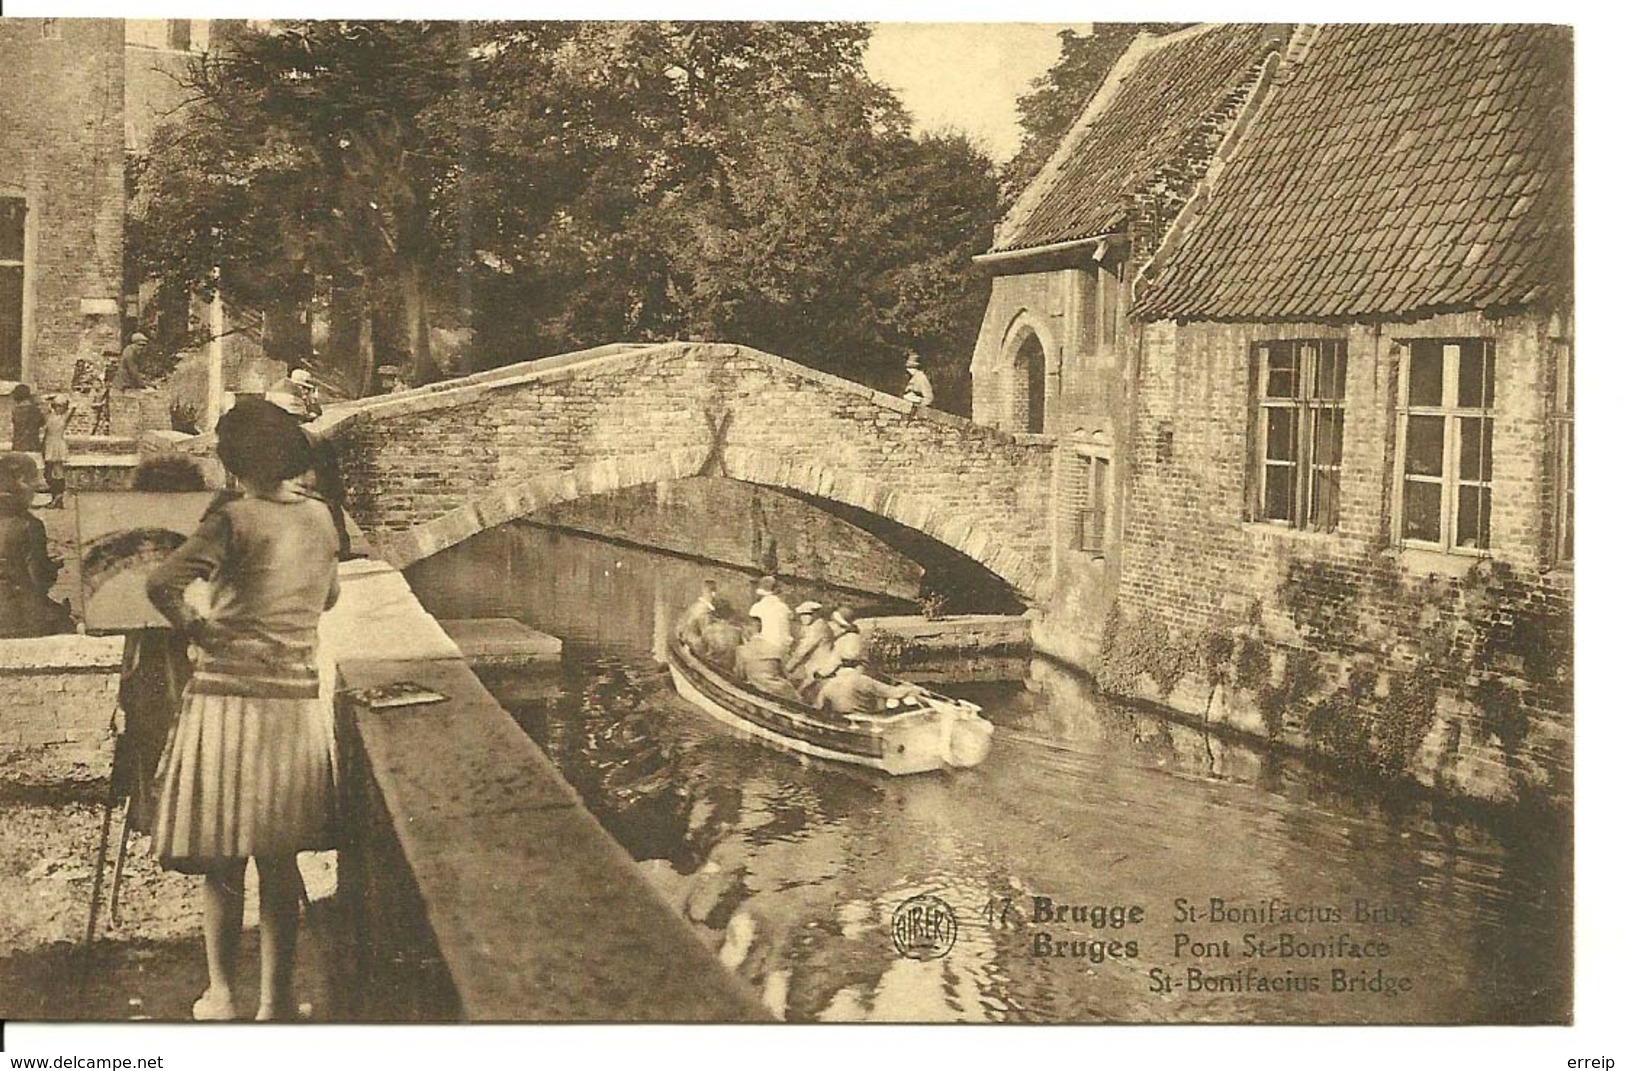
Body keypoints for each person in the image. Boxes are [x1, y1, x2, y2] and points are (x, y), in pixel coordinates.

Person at [146, 397, 342, 1022]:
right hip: (290, 701)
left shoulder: (231, 519)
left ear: (232, 463)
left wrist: (199, 630)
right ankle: (276, 1001)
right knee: (278, 858)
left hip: (227, 700)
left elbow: (161, 585)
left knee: (224, 859)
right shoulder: (321, 519)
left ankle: (222, 995)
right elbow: (330, 597)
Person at [113, 454, 207, 836]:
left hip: (170, 637)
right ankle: (156, 808)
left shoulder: (152, 529)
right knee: (151, 716)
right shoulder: (189, 529)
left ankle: (157, 808)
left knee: (156, 717)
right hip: (156, 640)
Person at [0, 453, 71, 637]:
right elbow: (38, 582)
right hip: (13, 616)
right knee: (66, 622)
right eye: (33, 483)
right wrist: (52, 567)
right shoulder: (29, 525)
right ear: (21, 481)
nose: (35, 490)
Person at [815, 655, 923, 717]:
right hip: (865, 720)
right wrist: (914, 689)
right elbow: (895, 693)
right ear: (858, 667)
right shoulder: (863, 681)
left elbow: (818, 707)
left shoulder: (828, 685)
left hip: (842, 720)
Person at [732, 615, 800, 703]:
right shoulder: (774, 647)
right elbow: (785, 674)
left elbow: (740, 676)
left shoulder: (742, 650)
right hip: (783, 691)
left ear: (747, 631)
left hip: (760, 691)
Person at [784, 601, 834, 689]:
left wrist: (787, 668)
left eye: (807, 614)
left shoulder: (818, 626)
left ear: (815, 614)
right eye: (801, 614)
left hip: (818, 666)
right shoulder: (813, 625)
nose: (804, 617)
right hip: (812, 664)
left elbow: (803, 650)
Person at [748, 574, 795, 659]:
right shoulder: (784, 607)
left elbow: (755, 629)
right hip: (785, 647)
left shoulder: (758, 607)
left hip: (768, 647)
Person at [41, 395, 73, 508]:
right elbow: (42, 402)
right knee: (48, 472)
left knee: (57, 470)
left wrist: (66, 399)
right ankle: (56, 496)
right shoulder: (49, 416)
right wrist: (51, 397)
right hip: (49, 443)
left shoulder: (64, 417)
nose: (59, 408)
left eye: (61, 406)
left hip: (58, 443)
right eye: (57, 405)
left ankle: (58, 497)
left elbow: (74, 405)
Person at [697, 599, 746, 666]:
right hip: (729, 668)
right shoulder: (737, 631)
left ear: (714, 616)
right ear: (729, 615)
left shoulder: (708, 631)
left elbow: (701, 653)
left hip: (712, 667)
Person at [677, 579, 721, 650]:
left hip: (687, 645)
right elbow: (707, 637)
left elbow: (680, 628)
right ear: (713, 593)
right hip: (695, 648)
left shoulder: (695, 606)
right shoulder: (704, 610)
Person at [10, 384, 43, 453]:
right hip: (33, 444)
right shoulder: (35, 410)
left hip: (18, 445)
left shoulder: (16, 410)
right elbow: (42, 422)